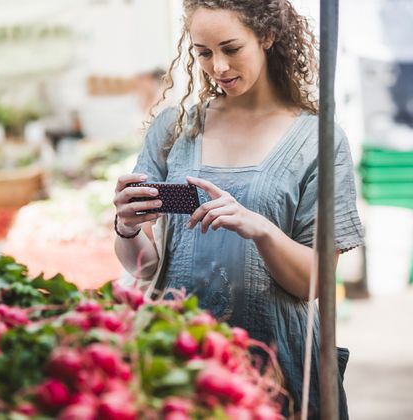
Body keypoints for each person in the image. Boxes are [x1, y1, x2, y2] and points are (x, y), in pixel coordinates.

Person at [113, 1, 364, 418]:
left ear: (266, 37)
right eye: (204, 52)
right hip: (178, 358)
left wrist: (260, 229)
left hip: (276, 365)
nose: (218, 66)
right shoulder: (176, 128)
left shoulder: (318, 140)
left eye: (231, 48)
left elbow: (316, 281)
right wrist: (126, 225)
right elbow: (145, 267)